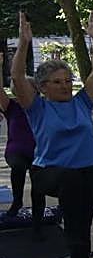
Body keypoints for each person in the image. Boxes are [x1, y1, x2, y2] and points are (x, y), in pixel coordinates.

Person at [10, 10, 93, 258]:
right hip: (49, 173)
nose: (65, 85)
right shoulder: (37, 108)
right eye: (57, 82)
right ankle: (62, 218)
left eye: (68, 80)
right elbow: (17, 77)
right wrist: (24, 43)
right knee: (70, 183)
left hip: (85, 173)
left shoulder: (82, 103)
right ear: (43, 87)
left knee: (82, 231)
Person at [1, 59, 44, 225]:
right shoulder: (11, 106)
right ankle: (17, 201)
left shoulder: (42, 106)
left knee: (38, 186)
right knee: (18, 167)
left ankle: (37, 222)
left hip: (39, 152)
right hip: (16, 151)